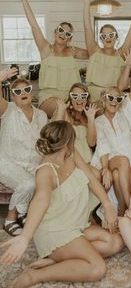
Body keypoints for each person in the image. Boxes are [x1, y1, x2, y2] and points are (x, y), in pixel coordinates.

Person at [0, 121, 123, 287]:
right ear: (67, 143)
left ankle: (55, 260)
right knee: (97, 268)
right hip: (54, 231)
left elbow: (92, 179)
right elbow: (41, 200)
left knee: (114, 242)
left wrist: (107, 205)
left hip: (73, 224)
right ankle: (35, 276)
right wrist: (25, 237)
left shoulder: (71, 155)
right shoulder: (45, 170)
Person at [6, 0, 89, 118]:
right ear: (55, 32)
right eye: (61, 30)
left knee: (79, 115)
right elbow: (34, 25)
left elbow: (95, 52)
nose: (63, 34)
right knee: (63, 112)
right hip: (49, 97)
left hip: (71, 96)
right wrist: (24, 0)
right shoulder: (46, 49)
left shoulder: (73, 52)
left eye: (67, 33)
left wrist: (86, 5)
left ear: (70, 38)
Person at [91, 49, 131, 214]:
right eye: (110, 98)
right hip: (109, 160)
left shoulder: (124, 113)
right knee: (122, 162)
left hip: (126, 167)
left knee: (118, 175)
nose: (115, 101)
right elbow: (102, 145)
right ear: (103, 100)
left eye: (118, 99)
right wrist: (104, 169)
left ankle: (123, 211)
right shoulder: (98, 121)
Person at [0, 68, 48, 237]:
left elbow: (45, 142)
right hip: (8, 163)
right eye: (18, 91)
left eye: (26, 89)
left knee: (48, 180)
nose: (23, 93)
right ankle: (11, 219)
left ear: (31, 92)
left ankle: (23, 213)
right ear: (13, 96)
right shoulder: (8, 110)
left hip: (34, 163)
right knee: (28, 184)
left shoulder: (41, 115)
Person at [83, 0, 131, 102]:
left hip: (113, 97)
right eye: (104, 36)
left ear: (116, 37)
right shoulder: (94, 51)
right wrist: (86, 3)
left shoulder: (121, 54)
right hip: (93, 96)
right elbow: (87, 28)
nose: (107, 38)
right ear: (101, 39)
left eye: (111, 35)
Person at [51, 82, 99, 163]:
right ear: (70, 99)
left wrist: (91, 119)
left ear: (87, 99)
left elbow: (91, 143)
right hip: (69, 161)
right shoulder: (63, 112)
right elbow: (55, 136)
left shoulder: (88, 115)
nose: (79, 99)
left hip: (88, 161)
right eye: (75, 96)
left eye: (83, 96)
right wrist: (60, 111)